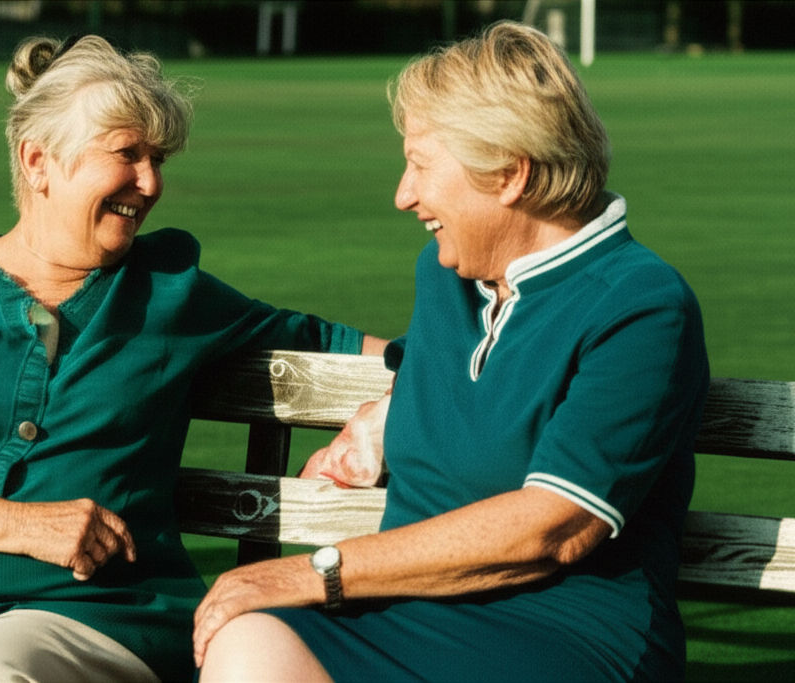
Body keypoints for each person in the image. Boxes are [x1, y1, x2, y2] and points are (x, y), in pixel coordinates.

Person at [0, 35, 384, 682]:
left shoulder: (171, 291)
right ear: (39, 161)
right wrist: (21, 525)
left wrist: (398, 399)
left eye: (159, 159)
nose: (150, 184)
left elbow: (340, 346)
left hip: (80, 608)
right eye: (128, 154)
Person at [193, 21, 709, 683]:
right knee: (247, 646)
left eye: (421, 164)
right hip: (401, 612)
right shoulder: (446, 273)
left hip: (566, 635)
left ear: (509, 175)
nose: (404, 195)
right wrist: (379, 422)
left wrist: (318, 569)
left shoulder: (641, 305)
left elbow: (552, 528)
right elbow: (450, 377)